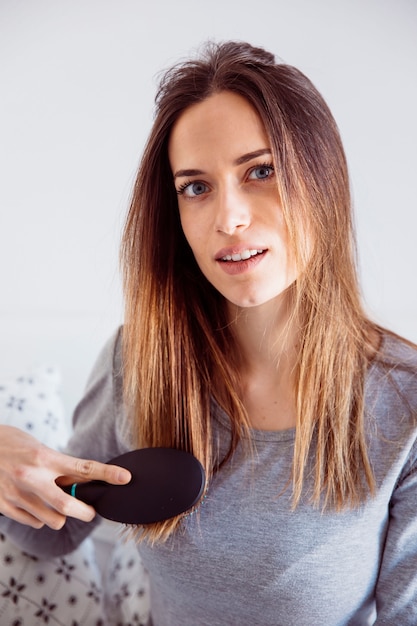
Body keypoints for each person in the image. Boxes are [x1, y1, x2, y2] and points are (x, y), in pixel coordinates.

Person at [0, 40, 416, 625]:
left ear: (322, 181)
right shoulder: (137, 362)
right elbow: (55, 533)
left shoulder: (405, 407)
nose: (228, 218)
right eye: (196, 187)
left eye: (261, 171)